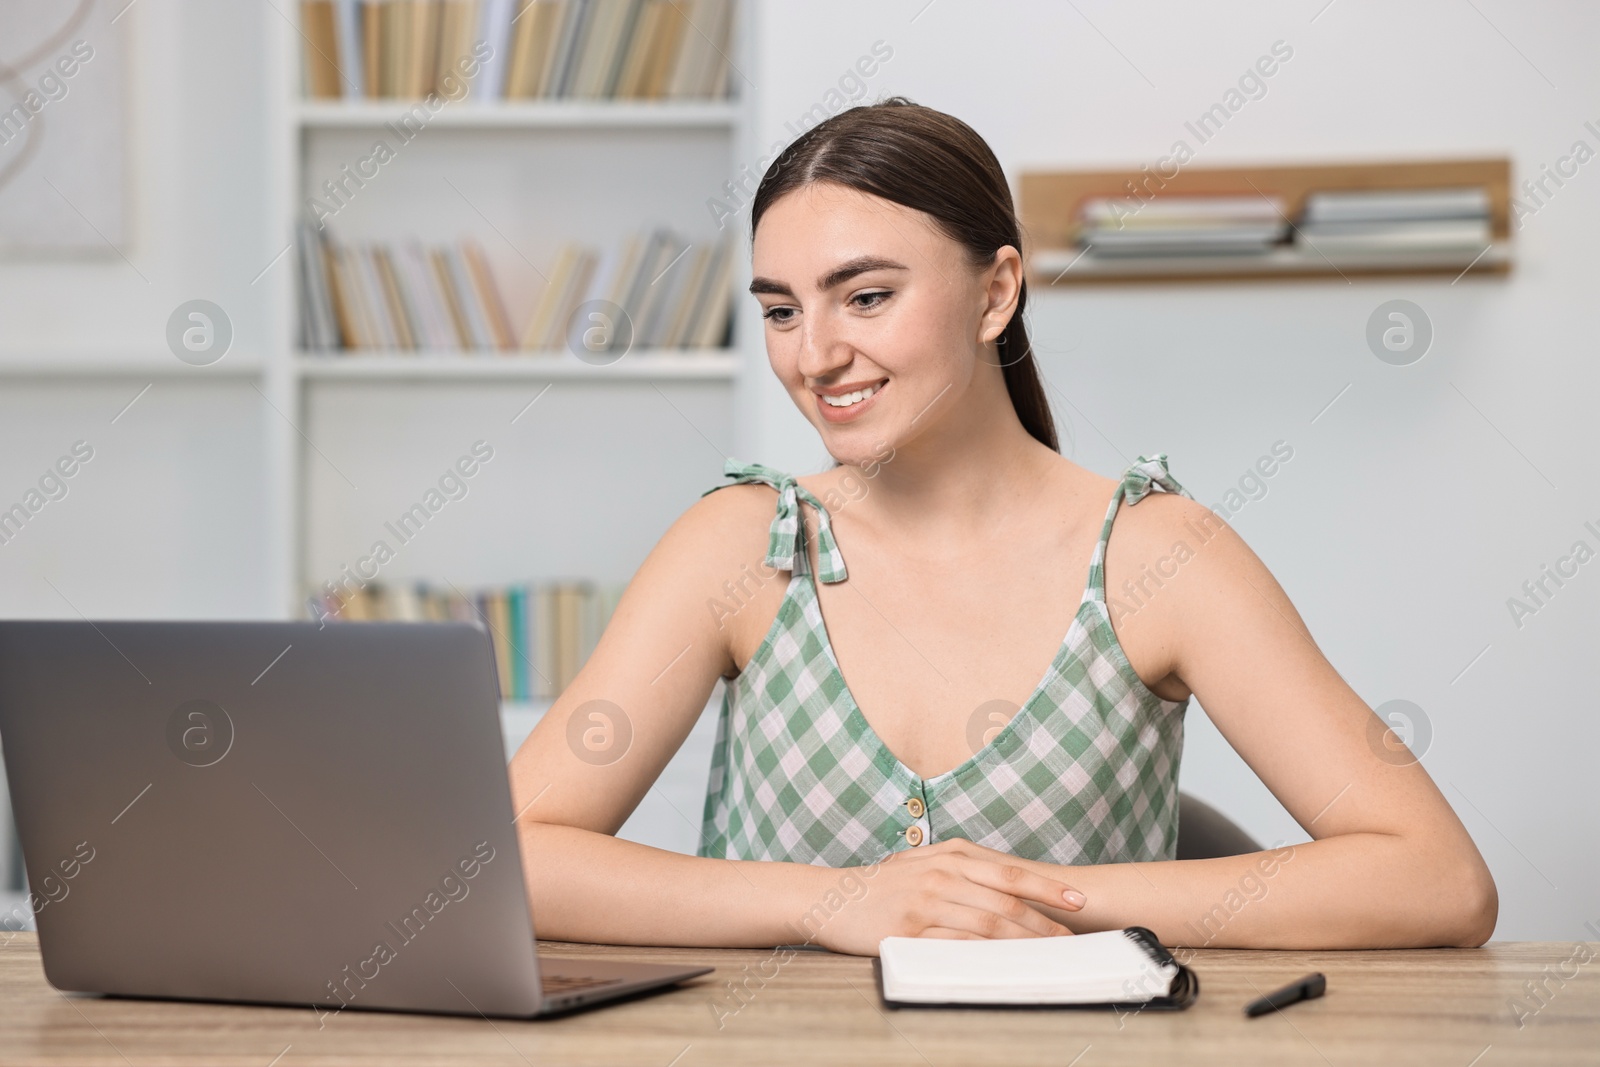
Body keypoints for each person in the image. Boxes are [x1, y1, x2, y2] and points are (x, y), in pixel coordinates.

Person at [508, 98, 1497, 956]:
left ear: (996, 291)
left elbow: (1437, 879)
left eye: (866, 297)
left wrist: (1031, 897)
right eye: (779, 311)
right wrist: (839, 901)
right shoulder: (742, 546)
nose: (815, 354)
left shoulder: (1157, 555)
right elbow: (507, 857)